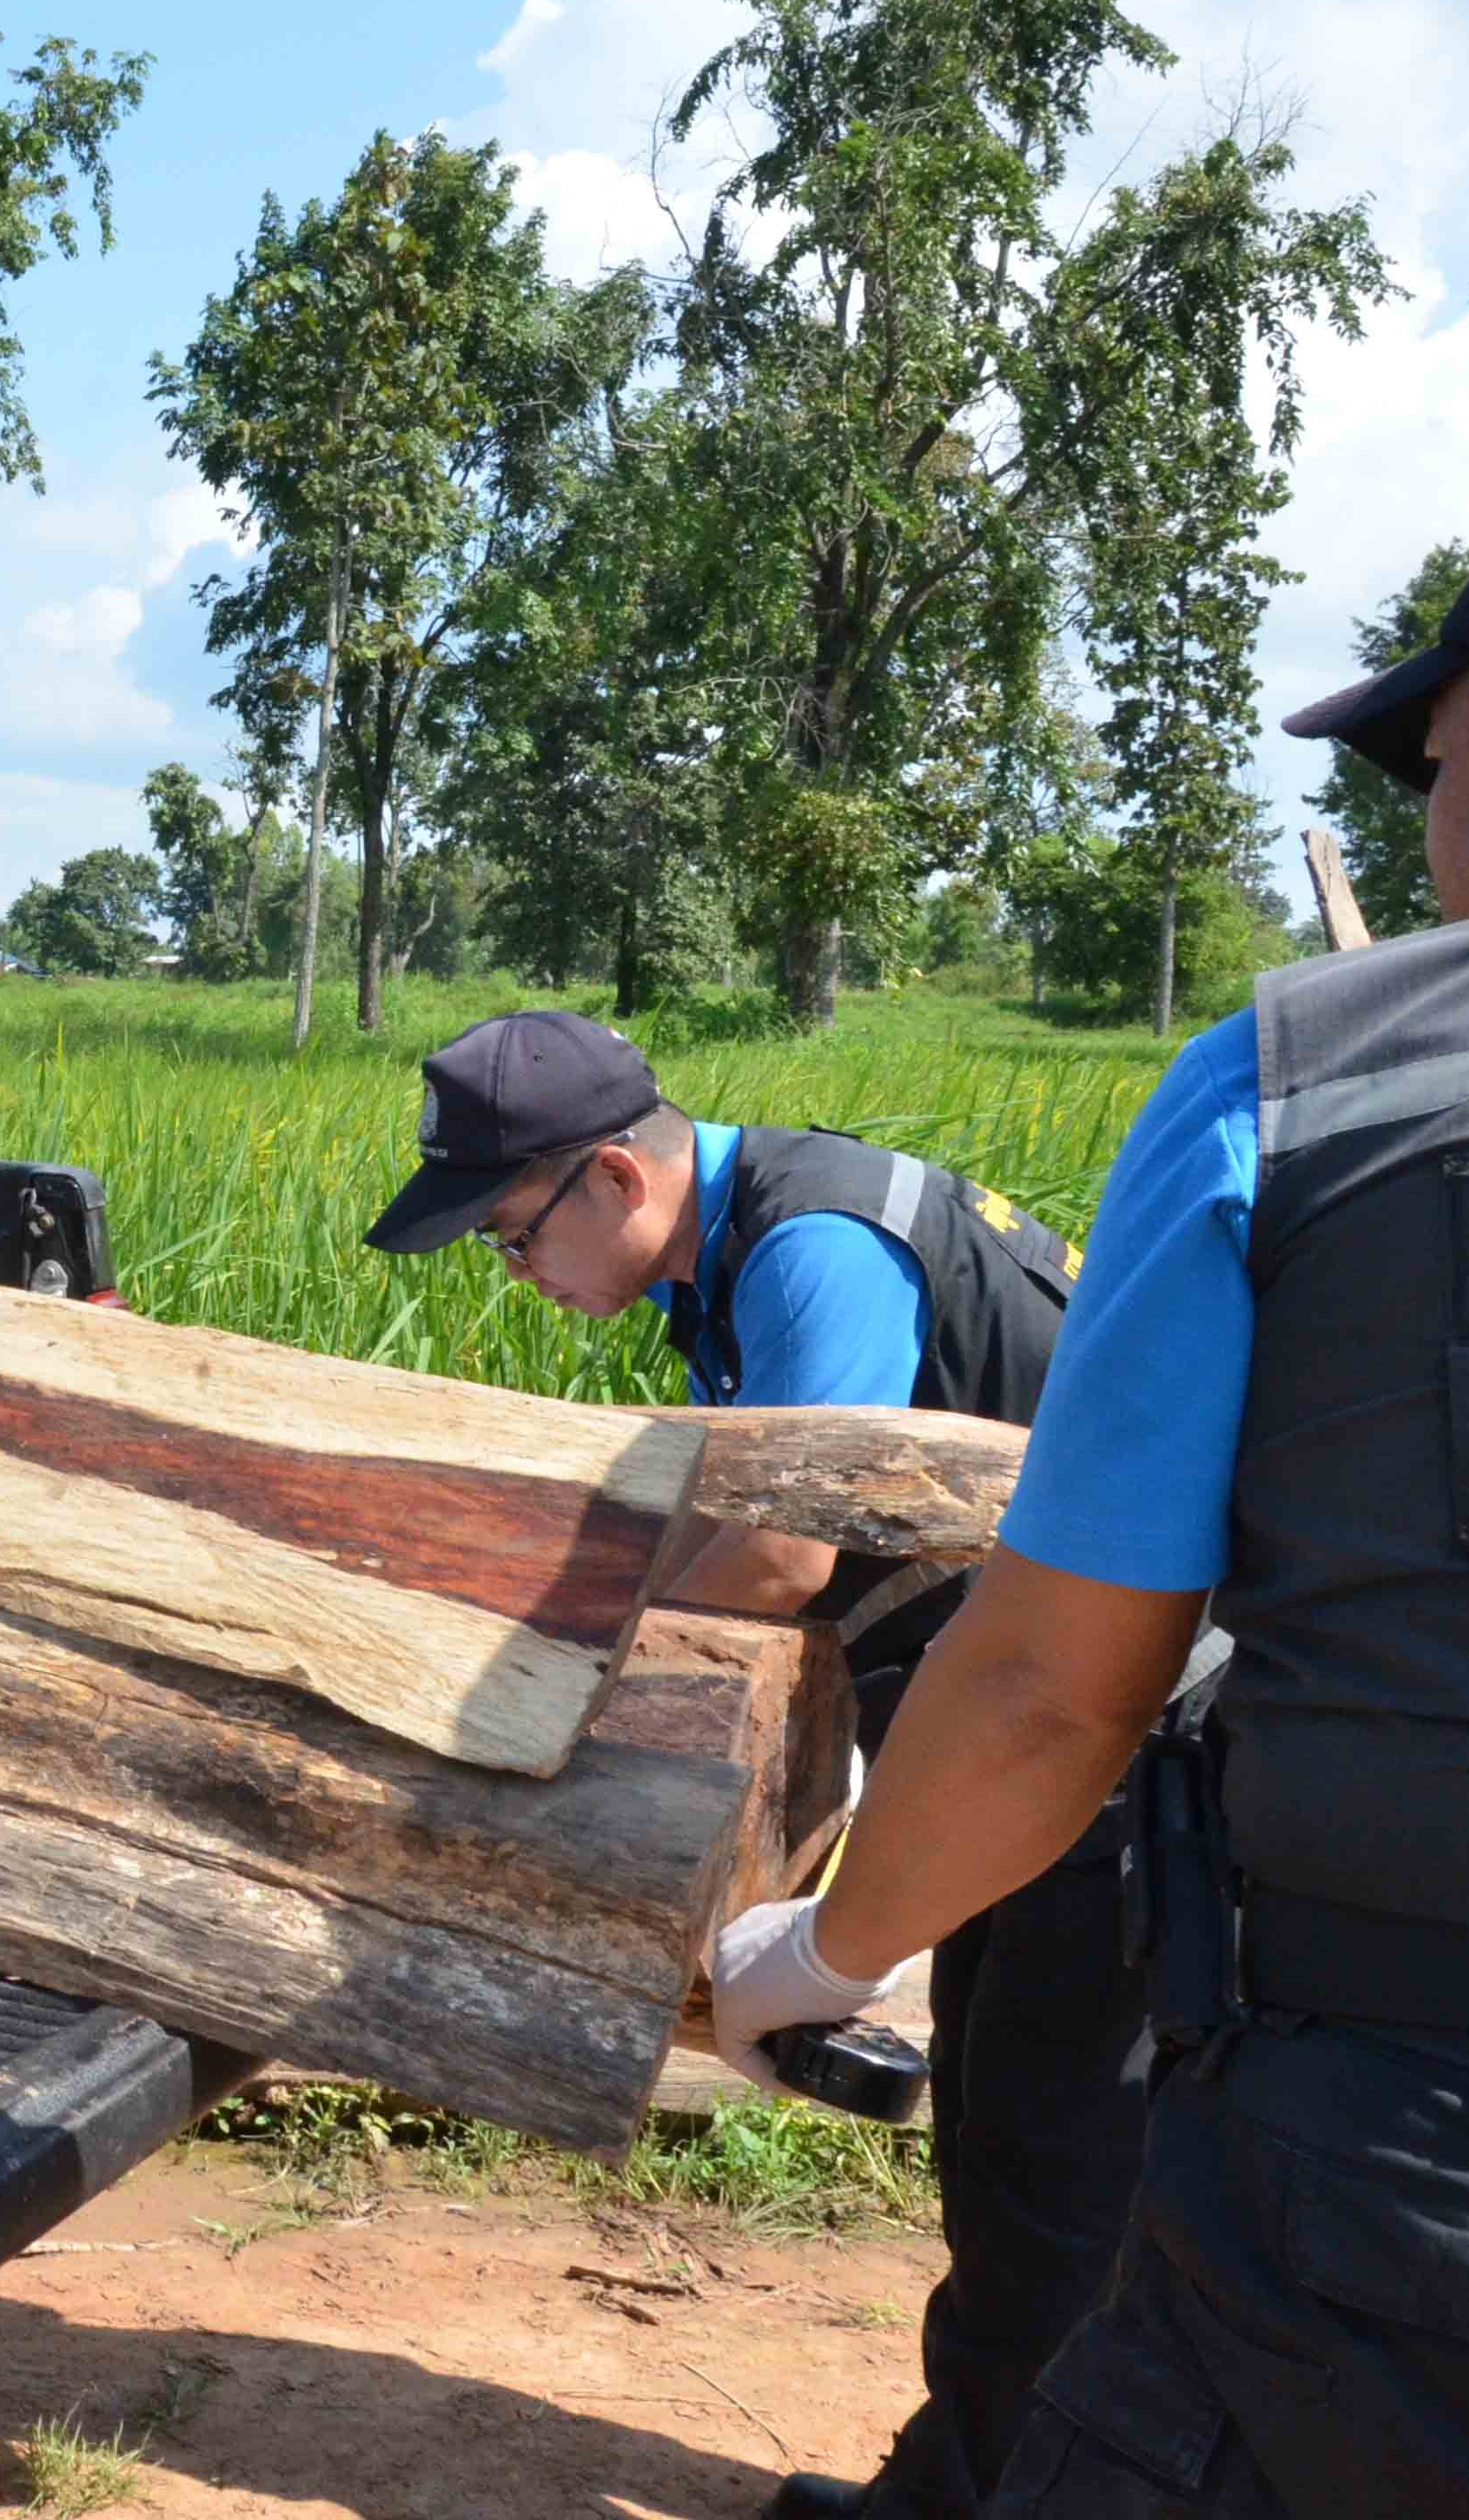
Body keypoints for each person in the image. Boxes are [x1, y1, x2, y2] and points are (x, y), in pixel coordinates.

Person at [703, 469, 1469, 2518]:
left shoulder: (1324, 1076)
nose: (1428, 845)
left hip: (1457, 2215)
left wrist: (815, 1958)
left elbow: (1054, 1695)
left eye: (1438, 766)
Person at [367, 1010, 1161, 2520]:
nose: (515, 1272)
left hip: (1116, 1747)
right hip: (1029, 1734)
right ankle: (976, 2482)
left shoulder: (816, 1251)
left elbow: (788, 1553)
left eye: (511, 1235)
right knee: (1017, 2143)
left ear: (612, 1176)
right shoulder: (731, 1255)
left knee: (1053, 2162)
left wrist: (553, 1670)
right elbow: (721, 1517)